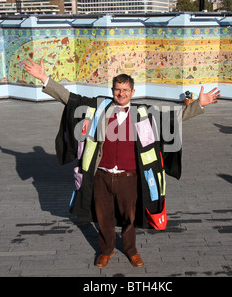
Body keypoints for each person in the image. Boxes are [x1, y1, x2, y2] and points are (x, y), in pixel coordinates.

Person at [23, 57, 221, 268]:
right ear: (112, 90)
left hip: (130, 177)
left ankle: (131, 250)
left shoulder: (144, 113)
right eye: (118, 89)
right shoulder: (98, 108)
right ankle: (106, 250)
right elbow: (70, 99)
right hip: (101, 175)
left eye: (126, 90)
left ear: (132, 92)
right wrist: (44, 79)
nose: (121, 93)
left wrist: (199, 104)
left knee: (130, 217)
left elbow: (175, 116)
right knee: (103, 217)